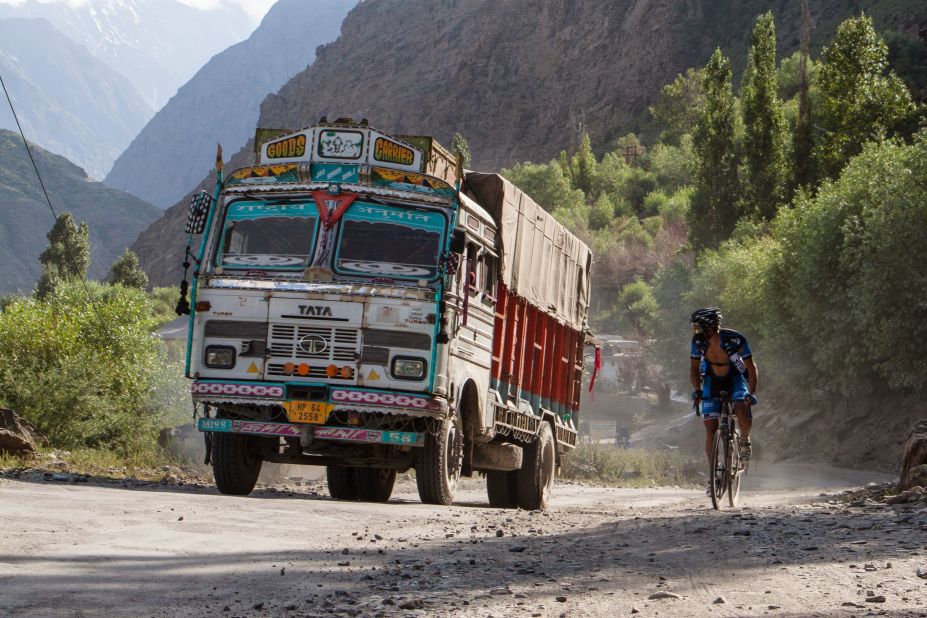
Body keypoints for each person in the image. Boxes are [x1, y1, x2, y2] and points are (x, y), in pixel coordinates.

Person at [689, 308, 758, 493]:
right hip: (713, 382)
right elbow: (694, 368)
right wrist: (697, 390)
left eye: (698, 328)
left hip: (735, 380)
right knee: (711, 428)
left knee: (742, 407)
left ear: (710, 327)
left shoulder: (735, 339)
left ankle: (744, 440)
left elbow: (751, 367)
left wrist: (751, 392)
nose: (695, 332)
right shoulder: (698, 342)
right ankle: (713, 475)